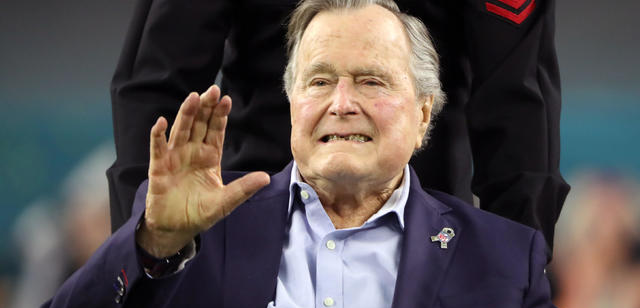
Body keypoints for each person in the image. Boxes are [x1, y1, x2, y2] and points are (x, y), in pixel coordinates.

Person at [33, 1, 566, 308]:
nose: (342, 102)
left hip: (431, 214)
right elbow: (156, 77)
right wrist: (152, 246)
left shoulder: (496, 263)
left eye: (369, 81)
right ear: (295, 96)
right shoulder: (205, 252)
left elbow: (518, 99)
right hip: (236, 204)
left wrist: (503, 281)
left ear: (426, 111)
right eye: (321, 82)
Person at [108, 0, 570, 262]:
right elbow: (158, 88)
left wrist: (514, 276)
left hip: (422, 236)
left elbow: (516, 102)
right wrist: (147, 253)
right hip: (255, 228)